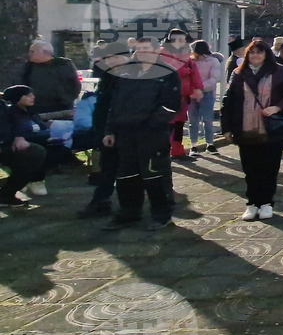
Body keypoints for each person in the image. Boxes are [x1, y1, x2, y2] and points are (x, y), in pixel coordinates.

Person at [101, 38, 182, 230]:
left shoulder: (168, 74)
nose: (142, 52)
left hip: (152, 134)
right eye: (139, 49)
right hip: (125, 133)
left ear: (157, 50)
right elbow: (115, 104)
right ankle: (129, 212)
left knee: (154, 175)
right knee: (126, 175)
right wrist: (110, 130)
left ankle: (161, 214)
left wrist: (150, 123)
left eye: (146, 48)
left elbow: (171, 106)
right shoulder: (127, 72)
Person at [221, 40, 283, 221]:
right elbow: (229, 102)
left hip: (271, 129)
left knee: (269, 169)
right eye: (252, 52)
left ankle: (266, 203)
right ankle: (252, 203)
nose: (255, 56)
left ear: (266, 54)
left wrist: (278, 107)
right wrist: (226, 128)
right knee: (250, 169)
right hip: (245, 129)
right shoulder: (238, 73)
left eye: (259, 52)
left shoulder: (278, 71)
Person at [77, 42, 131, 218]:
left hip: (124, 129)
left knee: (126, 170)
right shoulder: (107, 76)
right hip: (106, 127)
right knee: (108, 168)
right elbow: (103, 105)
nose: (111, 61)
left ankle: (129, 205)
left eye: (115, 57)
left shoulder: (131, 77)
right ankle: (101, 201)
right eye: (108, 58)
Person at [159, 29, 203, 161]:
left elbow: (194, 72)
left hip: (183, 95)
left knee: (179, 124)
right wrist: (186, 70)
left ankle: (177, 151)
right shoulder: (163, 53)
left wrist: (198, 88)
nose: (183, 42)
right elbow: (174, 69)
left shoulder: (185, 55)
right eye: (181, 40)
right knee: (169, 124)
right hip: (168, 95)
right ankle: (164, 151)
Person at [1, 85, 51, 198]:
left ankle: (27, 181)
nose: (32, 97)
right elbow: (14, 127)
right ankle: (31, 180)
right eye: (27, 95)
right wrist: (18, 137)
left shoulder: (31, 112)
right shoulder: (11, 112)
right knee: (37, 150)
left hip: (36, 139)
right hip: (15, 143)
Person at [21, 40, 80, 116]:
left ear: (45, 52)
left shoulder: (63, 64)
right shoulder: (28, 66)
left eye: (32, 52)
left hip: (61, 107)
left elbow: (75, 85)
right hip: (35, 108)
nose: (29, 54)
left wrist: (66, 99)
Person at [189, 41, 221, 154]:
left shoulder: (213, 61)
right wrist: (193, 89)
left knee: (207, 120)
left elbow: (214, 78)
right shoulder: (190, 61)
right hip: (192, 94)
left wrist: (200, 88)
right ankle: (193, 146)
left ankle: (210, 144)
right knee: (193, 121)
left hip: (207, 93)